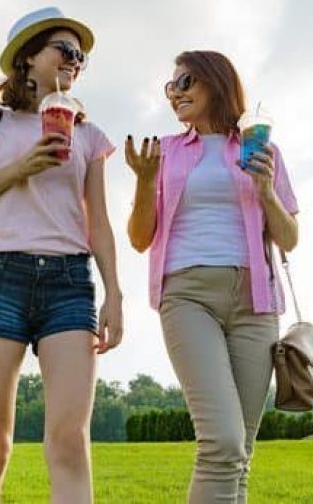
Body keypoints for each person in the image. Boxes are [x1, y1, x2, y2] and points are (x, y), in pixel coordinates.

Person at [0, 7, 123, 504]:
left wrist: (114, 294)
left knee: (68, 442)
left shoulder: (88, 134)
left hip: (68, 284)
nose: (75, 60)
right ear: (28, 58)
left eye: (81, 55)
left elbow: (98, 223)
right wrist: (20, 168)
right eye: (65, 49)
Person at [126, 51, 298, 503]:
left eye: (184, 81)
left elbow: (290, 238)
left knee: (240, 451)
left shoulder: (263, 150)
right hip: (188, 297)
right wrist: (145, 183)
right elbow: (140, 238)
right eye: (170, 87)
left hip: (256, 303)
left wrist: (264, 190)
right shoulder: (163, 151)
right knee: (221, 441)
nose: (175, 93)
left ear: (215, 82)